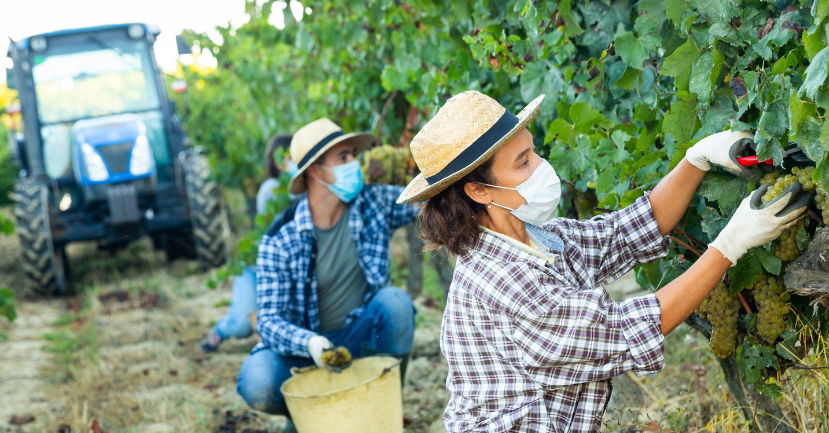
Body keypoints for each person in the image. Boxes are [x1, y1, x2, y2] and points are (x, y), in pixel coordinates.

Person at [395, 90, 808, 432]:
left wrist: (696, 158)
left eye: (532, 152)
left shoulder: (534, 237)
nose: (541, 166)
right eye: (522, 163)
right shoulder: (501, 281)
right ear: (479, 192)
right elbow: (628, 328)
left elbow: (625, 233)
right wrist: (730, 244)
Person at [236, 118, 419, 424]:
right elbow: (267, 320)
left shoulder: (371, 203)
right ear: (316, 171)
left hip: (359, 338)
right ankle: (313, 415)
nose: (354, 165)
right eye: (343, 158)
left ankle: (380, 409)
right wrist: (310, 343)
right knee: (258, 380)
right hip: (305, 353)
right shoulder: (281, 238)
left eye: (353, 156)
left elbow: (423, 203)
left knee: (395, 304)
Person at [201, 134, 294, 352]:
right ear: (276, 162)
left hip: (281, 267)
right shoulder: (272, 188)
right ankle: (218, 332)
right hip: (256, 266)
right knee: (242, 325)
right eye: (286, 157)